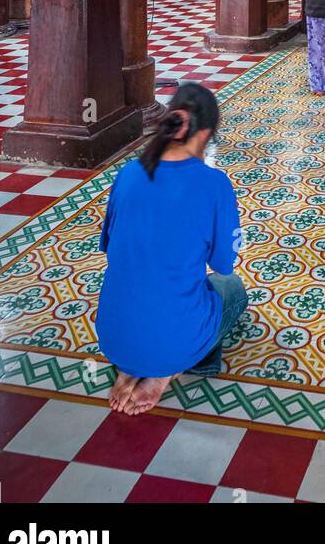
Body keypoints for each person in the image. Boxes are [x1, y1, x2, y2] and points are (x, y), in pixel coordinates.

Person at [97, 82, 246, 417]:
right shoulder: (214, 184)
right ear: (205, 133)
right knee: (232, 290)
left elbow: (109, 246)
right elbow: (224, 264)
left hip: (112, 338)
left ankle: (130, 366)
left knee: (158, 286)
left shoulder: (129, 173)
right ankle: (164, 373)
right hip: (172, 340)